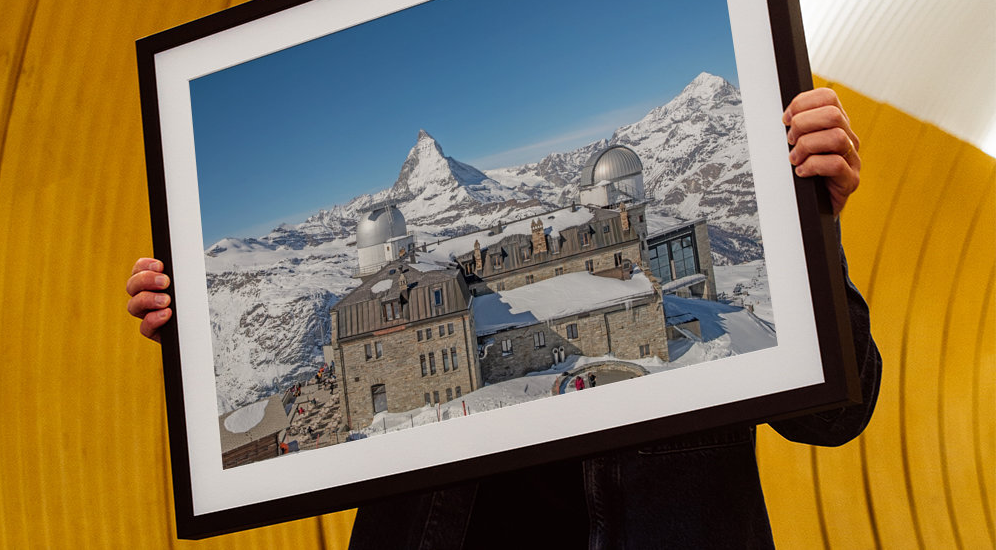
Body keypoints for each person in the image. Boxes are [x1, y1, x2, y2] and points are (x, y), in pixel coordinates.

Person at [126, 88, 879, 548]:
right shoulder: (424, 299)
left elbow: (836, 414)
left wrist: (815, 227)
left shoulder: (693, 297)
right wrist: (194, 346)